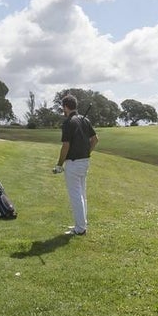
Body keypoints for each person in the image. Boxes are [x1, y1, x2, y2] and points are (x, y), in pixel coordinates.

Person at [54, 94, 98, 236]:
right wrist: (86, 152)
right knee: (82, 195)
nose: (63, 110)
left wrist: (59, 164)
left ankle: (80, 228)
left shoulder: (68, 123)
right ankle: (81, 224)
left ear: (66, 107)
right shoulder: (85, 120)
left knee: (76, 196)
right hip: (85, 162)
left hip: (73, 164)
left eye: (63, 107)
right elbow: (95, 140)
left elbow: (65, 146)